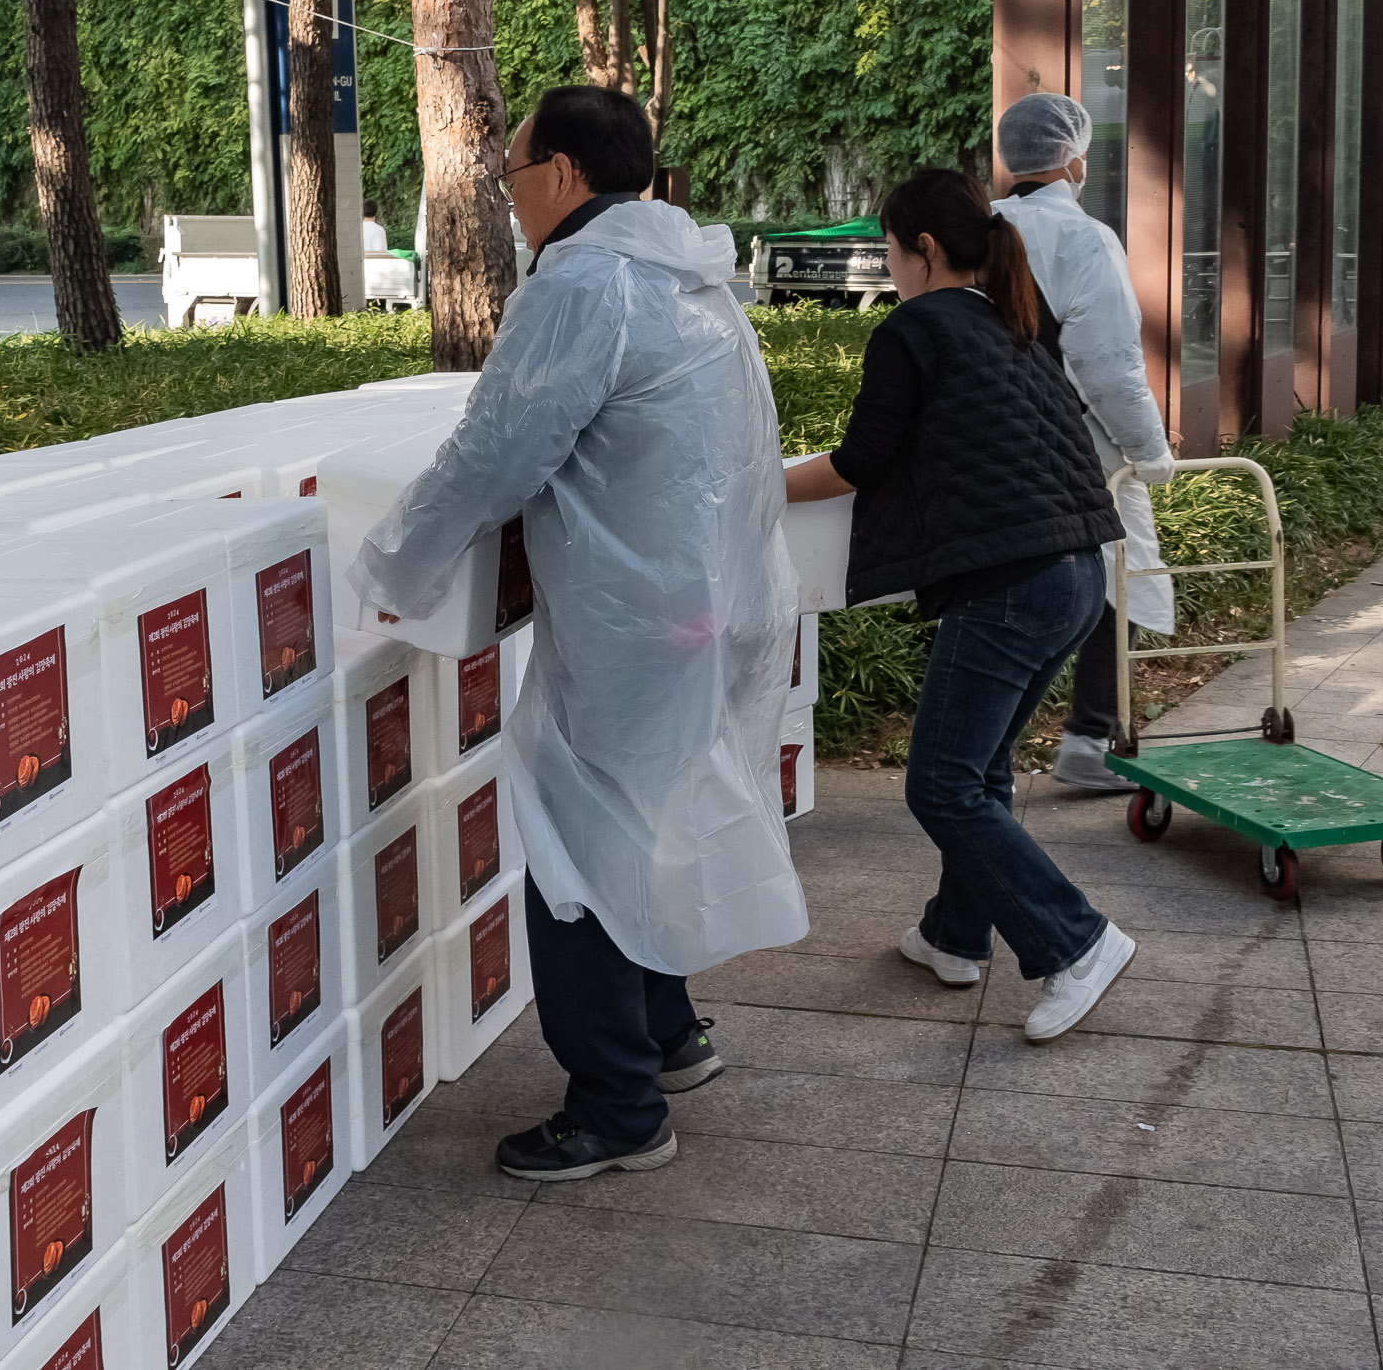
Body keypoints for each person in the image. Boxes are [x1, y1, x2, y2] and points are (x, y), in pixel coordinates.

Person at [348, 85, 805, 1180]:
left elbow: (497, 449)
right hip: (721, 603)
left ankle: (616, 1104)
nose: (509, 202)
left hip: (638, 624)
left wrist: (393, 564)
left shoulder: (585, 281)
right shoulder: (692, 275)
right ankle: (664, 1033)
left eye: (512, 177)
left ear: (558, 174)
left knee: (575, 849)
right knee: (647, 821)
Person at [785, 167, 1140, 1042]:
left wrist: (752, 484)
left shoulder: (917, 328)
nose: (890, 265)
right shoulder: (1014, 319)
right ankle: (955, 934)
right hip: (1077, 573)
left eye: (889, 249)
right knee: (978, 769)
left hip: (1011, 584)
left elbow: (861, 458)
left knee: (940, 783)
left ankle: (1076, 942)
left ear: (925, 249)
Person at [991, 93, 1178, 793]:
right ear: (1072, 158)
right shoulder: (1085, 239)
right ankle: (1090, 737)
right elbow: (1109, 366)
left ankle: (992, 744)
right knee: (1120, 581)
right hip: (1080, 447)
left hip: (997, 438)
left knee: (1018, 584)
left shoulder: (984, 229)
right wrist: (1151, 454)